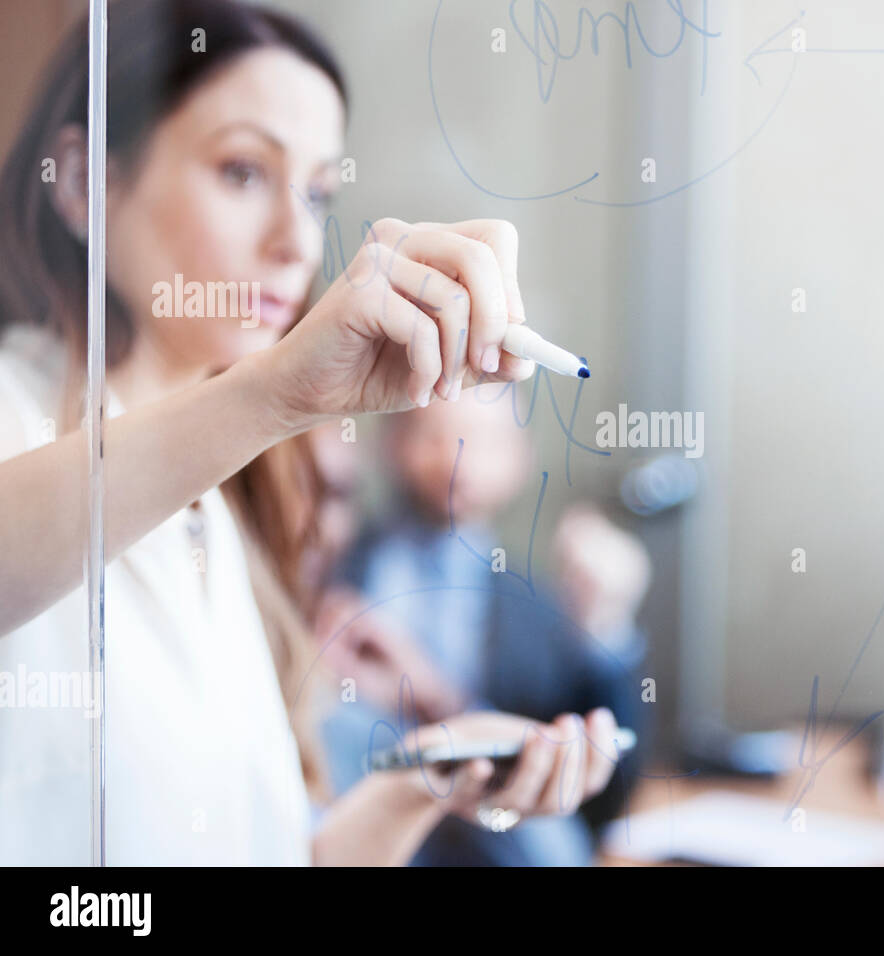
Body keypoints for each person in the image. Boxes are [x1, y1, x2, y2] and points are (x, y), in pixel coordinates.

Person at [0, 0, 622, 865]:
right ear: (82, 185)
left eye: (319, 192)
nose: (298, 242)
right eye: (242, 171)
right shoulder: (19, 413)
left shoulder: (217, 504)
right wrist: (277, 397)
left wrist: (428, 777)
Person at [316, 395, 652, 865]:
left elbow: (607, 797)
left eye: (487, 442)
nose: (459, 462)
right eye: (436, 436)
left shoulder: (544, 607)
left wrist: (607, 628)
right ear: (391, 443)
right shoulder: (328, 566)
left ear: (521, 458)